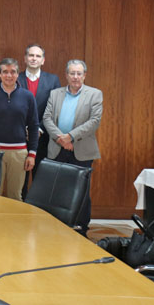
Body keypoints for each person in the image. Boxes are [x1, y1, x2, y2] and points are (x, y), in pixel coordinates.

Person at [43, 59, 103, 236]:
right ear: (66, 75)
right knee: (58, 189)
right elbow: (46, 118)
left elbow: (94, 121)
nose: (75, 77)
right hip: (57, 148)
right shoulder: (55, 94)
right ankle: (58, 224)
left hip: (81, 150)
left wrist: (71, 137)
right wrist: (61, 139)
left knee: (81, 191)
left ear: (84, 75)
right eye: (72, 73)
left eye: (79, 73)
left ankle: (81, 227)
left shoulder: (95, 94)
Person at [0, 58, 39, 201]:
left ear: (18, 74)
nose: (9, 75)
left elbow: (34, 126)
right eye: (5, 72)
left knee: (16, 196)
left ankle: (15, 224)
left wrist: (32, 154)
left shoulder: (28, 97)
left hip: (19, 153)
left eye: (13, 72)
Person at [16, 44, 61, 196]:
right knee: (19, 181)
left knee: (40, 180)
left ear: (43, 60)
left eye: (37, 56)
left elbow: (54, 108)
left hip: (43, 137)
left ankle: (36, 214)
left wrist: (38, 129)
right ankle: (20, 213)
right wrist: (24, 130)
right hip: (19, 137)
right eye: (31, 55)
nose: (34, 58)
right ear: (25, 59)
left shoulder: (53, 80)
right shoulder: (16, 78)